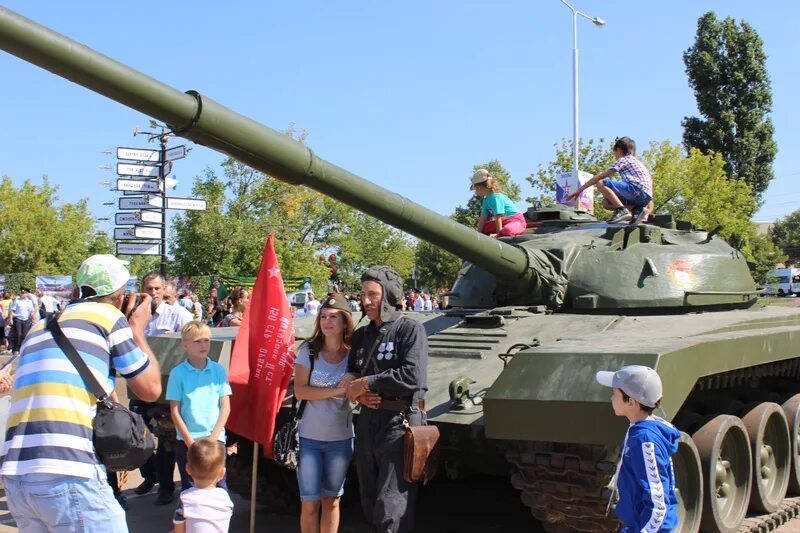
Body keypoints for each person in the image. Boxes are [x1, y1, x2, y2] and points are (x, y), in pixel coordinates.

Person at [0, 254, 162, 532]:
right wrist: (136, 329)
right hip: (68, 470)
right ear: (119, 296)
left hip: (17, 474)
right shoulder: (107, 317)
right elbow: (150, 389)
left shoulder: (41, 326)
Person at [345, 266, 428, 533]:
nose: (366, 301)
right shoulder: (361, 335)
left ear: (391, 295)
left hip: (399, 421)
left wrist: (368, 383)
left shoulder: (409, 331)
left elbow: (412, 375)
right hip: (368, 420)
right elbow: (353, 373)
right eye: (363, 294)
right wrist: (355, 389)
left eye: (373, 295)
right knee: (369, 498)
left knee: (391, 503)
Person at [294, 293, 355, 533]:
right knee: (309, 504)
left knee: (332, 501)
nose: (327, 321)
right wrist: (337, 390)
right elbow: (300, 391)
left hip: (341, 439)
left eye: (334, 317)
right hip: (309, 438)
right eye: (323, 317)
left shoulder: (354, 354)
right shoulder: (309, 351)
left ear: (345, 322)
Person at [595, 365, 679, 532]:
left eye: (615, 394)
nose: (611, 399)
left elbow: (658, 504)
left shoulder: (644, 440)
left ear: (631, 402)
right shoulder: (642, 428)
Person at [133, 272, 183, 505]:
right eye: (148, 288)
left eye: (156, 289)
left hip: (165, 388)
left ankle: (165, 488)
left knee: (166, 442)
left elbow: (189, 345)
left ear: (164, 290)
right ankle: (149, 475)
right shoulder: (135, 316)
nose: (152, 293)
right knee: (134, 436)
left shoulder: (178, 314)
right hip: (139, 384)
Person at [167, 320, 232, 492]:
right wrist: (190, 442)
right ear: (185, 345)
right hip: (188, 441)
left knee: (219, 486)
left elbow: (225, 407)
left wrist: (214, 438)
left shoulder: (218, 370)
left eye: (206, 340)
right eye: (197, 341)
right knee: (191, 488)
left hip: (215, 439)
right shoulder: (177, 373)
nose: (203, 345)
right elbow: (175, 411)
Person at [568, 136, 654, 224]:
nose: (615, 156)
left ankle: (622, 210)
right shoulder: (636, 162)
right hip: (644, 198)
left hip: (636, 190)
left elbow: (600, 177)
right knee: (606, 203)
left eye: (615, 153)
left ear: (619, 150)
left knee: (601, 183)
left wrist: (579, 190)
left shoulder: (624, 159)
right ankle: (637, 210)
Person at [172, 438, 234, 533]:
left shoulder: (185, 499)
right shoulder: (225, 498)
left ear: (188, 469)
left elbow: (179, 531)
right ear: (222, 473)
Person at [471, 169, 527, 238]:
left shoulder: (496, 197)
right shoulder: (486, 200)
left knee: (507, 230)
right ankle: (501, 231)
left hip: (515, 220)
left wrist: (498, 234)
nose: (475, 192)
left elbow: (498, 216)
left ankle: (506, 231)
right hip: (504, 222)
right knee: (484, 228)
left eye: (475, 189)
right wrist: (478, 234)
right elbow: (483, 218)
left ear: (479, 188)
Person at [7, 288, 36, 355]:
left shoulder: (29, 302)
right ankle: (16, 349)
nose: (22, 294)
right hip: (18, 319)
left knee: (24, 335)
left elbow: (32, 311)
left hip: (26, 319)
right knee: (18, 334)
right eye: (21, 293)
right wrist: (11, 319)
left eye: (24, 293)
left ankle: (22, 348)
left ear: (27, 294)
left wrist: (33, 318)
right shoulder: (17, 301)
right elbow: (12, 310)